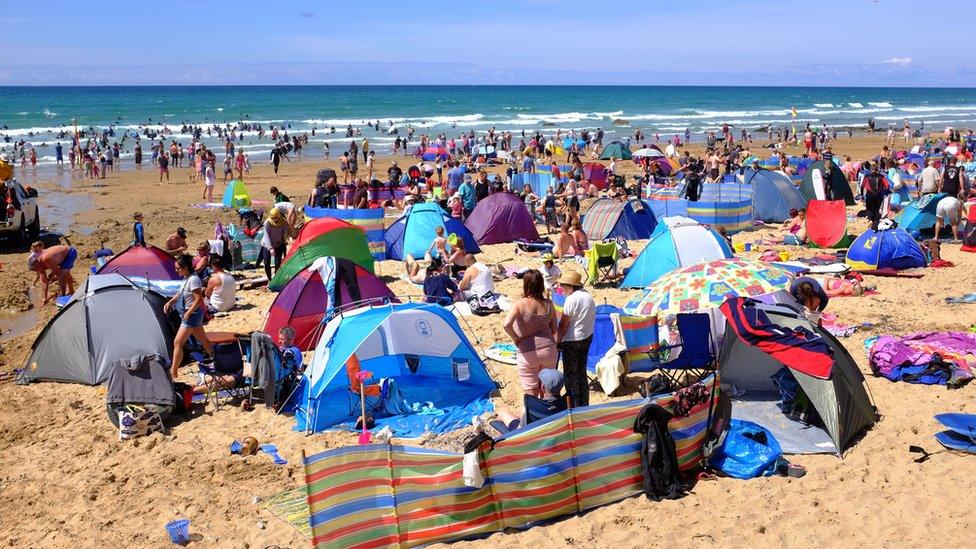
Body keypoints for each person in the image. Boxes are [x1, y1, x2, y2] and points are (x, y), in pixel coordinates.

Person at [503, 270, 558, 397]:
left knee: (531, 390)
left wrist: (515, 338)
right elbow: (554, 330)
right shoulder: (549, 304)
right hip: (548, 349)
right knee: (548, 388)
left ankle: (534, 414)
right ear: (541, 285)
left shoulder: (520, 304)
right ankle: (549, 414)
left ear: (526, 284)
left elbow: (506, 324)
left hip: (528, 350)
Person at [165, 254, 214, 379]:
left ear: (185, 268)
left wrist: (188, 313)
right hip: (192, 315)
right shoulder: (187, 278)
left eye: (178, 268)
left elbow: (198, 299)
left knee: (178, 342)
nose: (176, 270)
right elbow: (181, 293)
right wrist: (171, 301)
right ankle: (216, 358)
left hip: (192, 315)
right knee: (203, 340)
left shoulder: (193, 280)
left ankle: (173, 371)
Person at [555, 270, 595, 406]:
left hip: (573, 340)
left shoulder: (571, 299)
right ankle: (584, 404)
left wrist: (557, 340)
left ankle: (574, 406)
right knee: (581, 372)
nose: (562, 289)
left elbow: (563, 325)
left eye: (564, 286)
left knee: (571, 377)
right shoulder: (587, 295)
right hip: (587, 336)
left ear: (570, 286)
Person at [258, 208, 289, 281]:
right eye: (272, 218)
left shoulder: (283, 222)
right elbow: (266, 236)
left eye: (276, 218)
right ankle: (269, 279)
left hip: (278, 244)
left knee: (278, 263)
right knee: (266, 262)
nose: (274, 220)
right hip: (267, 245)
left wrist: (287, 240)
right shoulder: (267, 223)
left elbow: (286, 233)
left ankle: (276, 279)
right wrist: (270, 248)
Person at [861, 162, 889, 228]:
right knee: (877, 209)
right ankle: (876, 222)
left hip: (869, 194)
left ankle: (870, 220)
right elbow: (887, 185)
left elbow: (862, 186)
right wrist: (885, 192)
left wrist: (862, 194)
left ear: (871, 169)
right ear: (877, 169)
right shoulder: (881, 177)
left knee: (869, 208)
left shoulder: (867, 176)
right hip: (878, 194)